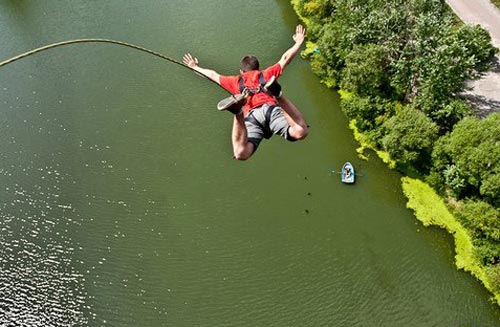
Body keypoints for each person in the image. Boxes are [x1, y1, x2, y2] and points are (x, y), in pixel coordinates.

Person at [182, 25, 309, 160]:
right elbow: (285, 59)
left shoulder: (236, 81)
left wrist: (195, 67)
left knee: (240, 153)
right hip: (270, 110)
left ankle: (237, 112)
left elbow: (212, 75)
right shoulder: (265, 75)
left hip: (252, 117)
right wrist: (298, 43)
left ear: (242, 71)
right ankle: (278, 94)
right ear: (257, 68)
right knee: (300, 131)